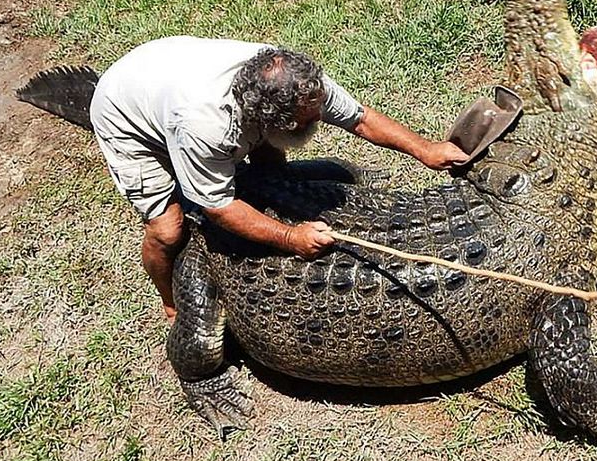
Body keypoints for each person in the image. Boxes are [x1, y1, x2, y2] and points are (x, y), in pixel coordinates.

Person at [89, 36, 469, 321]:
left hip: (163, 64)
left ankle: (257, 170)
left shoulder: (297, 82)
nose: (321, 118)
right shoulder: (205, 126)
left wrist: (425, 149)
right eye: (309, 118)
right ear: (270, 121)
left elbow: (360, 118)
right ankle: (171, 304)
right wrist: (291, 238)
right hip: (125, 112)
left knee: (270, 172)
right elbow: (218, 207)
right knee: (169, 228)